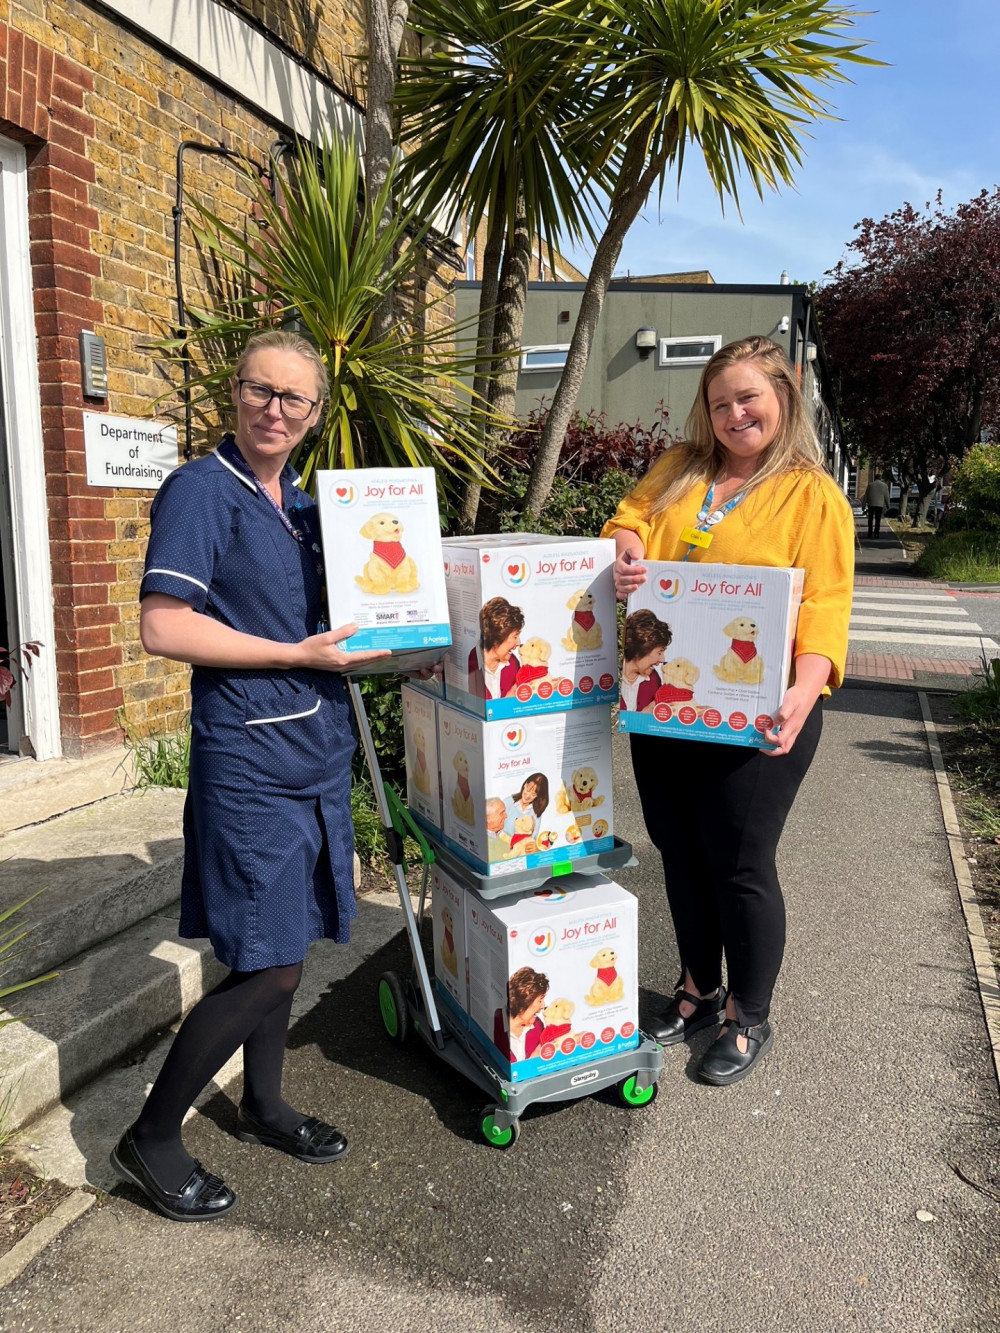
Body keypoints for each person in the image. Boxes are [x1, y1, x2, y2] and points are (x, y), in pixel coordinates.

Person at [110, 330, 390, 1222]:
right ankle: (152, 1135)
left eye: (293, 399)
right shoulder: (203, 492)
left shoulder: (305, 506)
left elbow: (343, 624)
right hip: (251, 764)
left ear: (314, 414)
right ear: (235, 395)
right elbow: (164, 626)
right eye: (260, 391)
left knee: (289, 943)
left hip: (312, 754)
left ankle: (265, 1105)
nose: (275, 409)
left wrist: (402, 651)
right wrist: (294, 655)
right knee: (266, 965)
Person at [604, 335, 854, 1086]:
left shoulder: (813, 495)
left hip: (761, 712)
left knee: (739, 863)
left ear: (783, 396)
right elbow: (631, 516)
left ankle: (749, 1012)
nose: (734, 412)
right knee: (678, 851)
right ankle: (697, 989)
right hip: (668, 707)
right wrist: (625, 552)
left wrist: (803, 692)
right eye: (720, 402)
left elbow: (827, 608)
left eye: (748, 397)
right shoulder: (681, 469)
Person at [467, 597, 523, 699]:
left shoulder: (513, 663)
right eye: (515, 637)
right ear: (497, 638)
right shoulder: (469, 661)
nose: (519, 642)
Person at [620, 609, 673, 712]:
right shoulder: (611, 675)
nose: (662, 659)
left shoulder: (654, 679)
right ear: (640, 649)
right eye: (659, 652)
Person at [493, 967, 549, 1063]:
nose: (543, 1005)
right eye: (540, 1000)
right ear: (525, 1001)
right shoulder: (494, 1021)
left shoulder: (538, 1026)